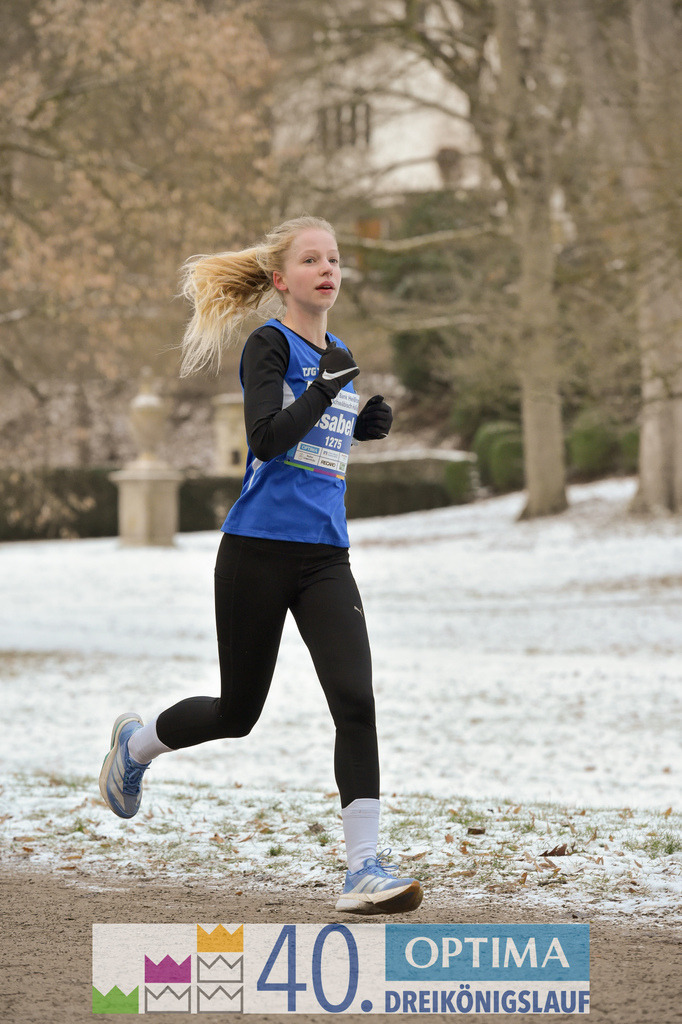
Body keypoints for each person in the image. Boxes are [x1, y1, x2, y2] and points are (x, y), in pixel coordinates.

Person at [99, 215, 423, 915]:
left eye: (334, 259)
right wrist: (326, 393)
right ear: (281, 279)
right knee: (238, 712)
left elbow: (315, 442)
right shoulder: (268, 345)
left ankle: (362, 868)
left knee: (356, 701)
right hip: (256, 552)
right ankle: (136, 746)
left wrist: (357, 425)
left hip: (325, 556)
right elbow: (268, 440)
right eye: (312, 259)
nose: (328, 269)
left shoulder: (339, 352)